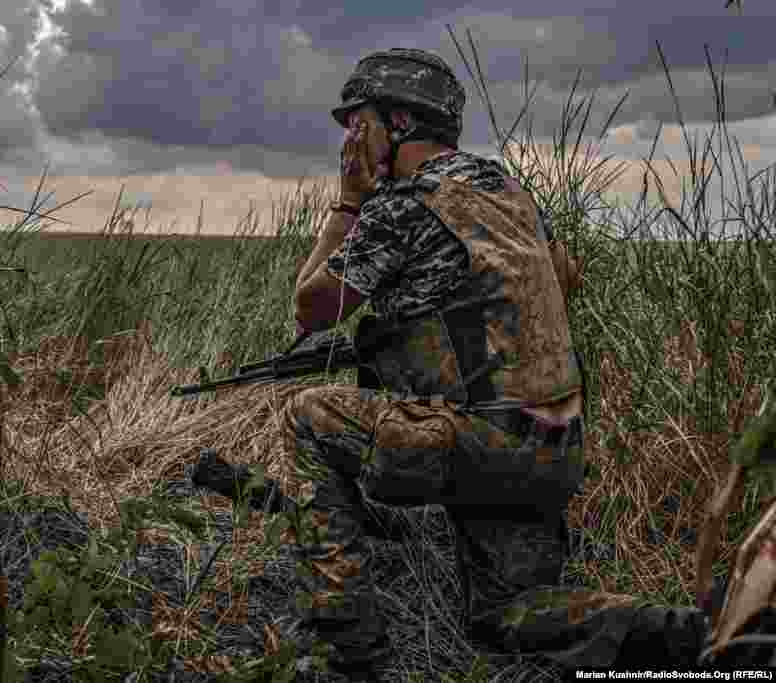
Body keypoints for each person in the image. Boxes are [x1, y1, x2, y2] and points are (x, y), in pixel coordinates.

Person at [283, 48, 707, 679]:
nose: (349, 138)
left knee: (309, 415)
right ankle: (698, 636)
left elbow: (311, 309)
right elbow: (562, 279)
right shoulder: (511, 191)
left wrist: (347, 203)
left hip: (479, 446)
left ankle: (344, 642)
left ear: (398, 122)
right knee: (508, 613)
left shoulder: (401, 205)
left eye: (358, 120)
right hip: (552, 447)